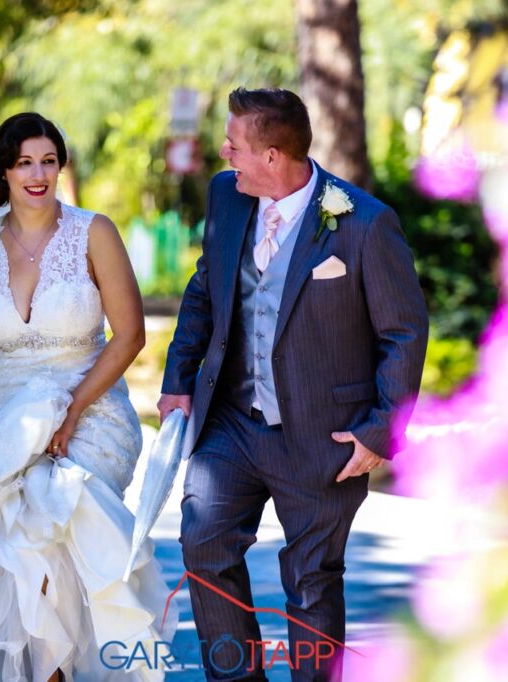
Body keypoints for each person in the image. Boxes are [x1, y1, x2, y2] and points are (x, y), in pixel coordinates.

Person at [159, 88, 428, 681]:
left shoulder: (365, 223)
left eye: (235, 144)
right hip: (232, 421)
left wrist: (381, 432)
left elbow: (404, 333)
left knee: (310, 582)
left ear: (274, 156)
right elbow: (206, 290)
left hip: (322, 434)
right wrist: (179, 378)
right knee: (204, 546)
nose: (224, 151)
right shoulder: (227, 199)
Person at [0, 112, 175, 682]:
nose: (38, 174)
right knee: (16, 565)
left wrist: (73, 409)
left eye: (49, 161)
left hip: (90, 417)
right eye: (24, 163)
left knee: (46, 532)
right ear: (4, 172)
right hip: (10, 426)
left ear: (60, 166)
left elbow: (129, 335)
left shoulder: (95, 232)